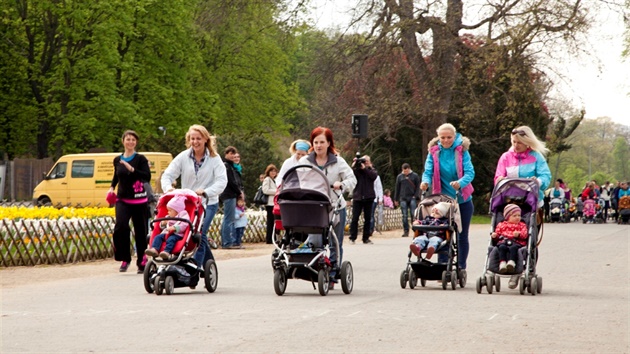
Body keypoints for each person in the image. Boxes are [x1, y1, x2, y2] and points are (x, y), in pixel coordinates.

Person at [161, 124, 227, 270]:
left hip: (207, 202)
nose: (195, 142)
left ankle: (195, 265)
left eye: (198, 138)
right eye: (192, 139)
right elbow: (168, 174)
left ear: (205, 140)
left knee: (199, 232)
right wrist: (169, 189)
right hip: (188, 204)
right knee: (192, 233)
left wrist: (206, 191)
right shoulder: (183, 157)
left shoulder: (214, 159)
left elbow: (222, 181)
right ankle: (210, 267)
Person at [299, 126, 356, 289]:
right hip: (314, 207)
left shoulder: (338, 161)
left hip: (335, 206)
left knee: (334, 242)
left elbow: (352, 180)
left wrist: (342, 184)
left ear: (328, 143)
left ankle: (333, 272)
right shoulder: (305, 162)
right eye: (315, 142)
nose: (318, 145)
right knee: (316, 241)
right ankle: (317, 269)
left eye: (322, 142)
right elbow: (298, 180)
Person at [421, 123, 475, 279]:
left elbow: (470, 172)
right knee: (442, 232)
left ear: (455, 136)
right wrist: (425, 182)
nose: (445, 140)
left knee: (462, 235)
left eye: (449, 137)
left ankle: (460, 267)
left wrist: (461, 183)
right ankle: (443, 267)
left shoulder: (462, 151)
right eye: (442, 137)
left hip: (462, 199)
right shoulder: (434, 152)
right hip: (442, 200)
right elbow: (428, 171)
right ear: (438, 138)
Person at [108, 130, 151, 273]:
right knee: (121, 227)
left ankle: (142, 260)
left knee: (141, 230)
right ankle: (125, 258)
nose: (130, 142)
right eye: (128, 139)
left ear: (136, 142)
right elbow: (117, 176)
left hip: (139, 200)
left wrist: (132, 169)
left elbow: (146, 176)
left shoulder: (140, 159)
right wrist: (111, 187)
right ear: (123, 141)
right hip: (123, 199)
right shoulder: (117, 160)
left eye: (133, 139)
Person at [491, 204, 528, 289]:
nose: (517, 217)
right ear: (507, 217)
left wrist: (519, 234)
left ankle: (511, 262)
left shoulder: (522, 225)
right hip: (503, 241)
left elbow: (525, 235)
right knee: (501, 248)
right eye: (514, 216)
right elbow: (497, 234)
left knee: (513, 248)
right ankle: (502, 263)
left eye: (519, 215)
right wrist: (495, 235)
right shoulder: (502, 225)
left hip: (516, 242)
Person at [145, 195, 190, 260]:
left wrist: (175, 228)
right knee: (158, 237)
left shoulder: (183, 215)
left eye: (170, 210)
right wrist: (163, 223)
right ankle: (154, 249)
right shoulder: (168, 217)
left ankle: (166, 252)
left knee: (171, 239)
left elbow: (184, 224)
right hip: (166, 233)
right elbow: (161, 227)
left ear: (177, 210)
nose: (168, 212)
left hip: (177, 234)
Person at [349, 154, 378, 244]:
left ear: (370, 162)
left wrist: (365, 168)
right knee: (355, 218)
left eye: (366, 161)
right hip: (358, 197)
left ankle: (366, 238)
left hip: (369, 197)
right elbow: (351, 174)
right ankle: (352, 237)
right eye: (363, 161)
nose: (364, 163)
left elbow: (373, 176)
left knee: (368, 218)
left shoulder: (372, 170)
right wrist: (355, 165)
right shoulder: (357, 171)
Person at [220, 146, 244, 249]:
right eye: (230, 153)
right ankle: (227, 242)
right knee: (228, 219)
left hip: (230, 194)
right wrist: (239, 192)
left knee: (228, 218)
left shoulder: (231, 166)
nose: (232, 155)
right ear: (226, 154)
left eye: (234, 154)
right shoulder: (226, 166)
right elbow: (231, 181)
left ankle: (227, 241)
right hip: (228, 194)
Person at [394, 163, 421, 237]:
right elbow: (397, 188)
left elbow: (418, 187)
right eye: (404, 171)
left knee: (413, 214)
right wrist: (396, 199)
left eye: (406, 171)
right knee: (404, 215)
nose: (405, 172)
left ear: (409, 169)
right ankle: (406, 230)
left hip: (412, 197)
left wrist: (415, 196)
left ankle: (415, 229)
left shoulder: (414, 176)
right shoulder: (399, 177)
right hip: (403, 198)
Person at [261, 164, 278, 244]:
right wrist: (276, 192)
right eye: (272, 171)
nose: (273, 172)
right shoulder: (267, 179)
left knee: (273, 221)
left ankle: (273, 238)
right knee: (270, 221)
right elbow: (265, 190)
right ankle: (269, 239)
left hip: (274, 203)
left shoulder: (274, 180)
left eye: (274, 171)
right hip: (270, 203)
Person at [368, 158, 384, 237]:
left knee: (371, 214)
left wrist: (380, 198)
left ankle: (370, 230)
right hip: (364, 198)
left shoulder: (376, 176)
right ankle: (367, 229)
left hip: (373, 198)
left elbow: (379, 188)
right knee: (367, 215)